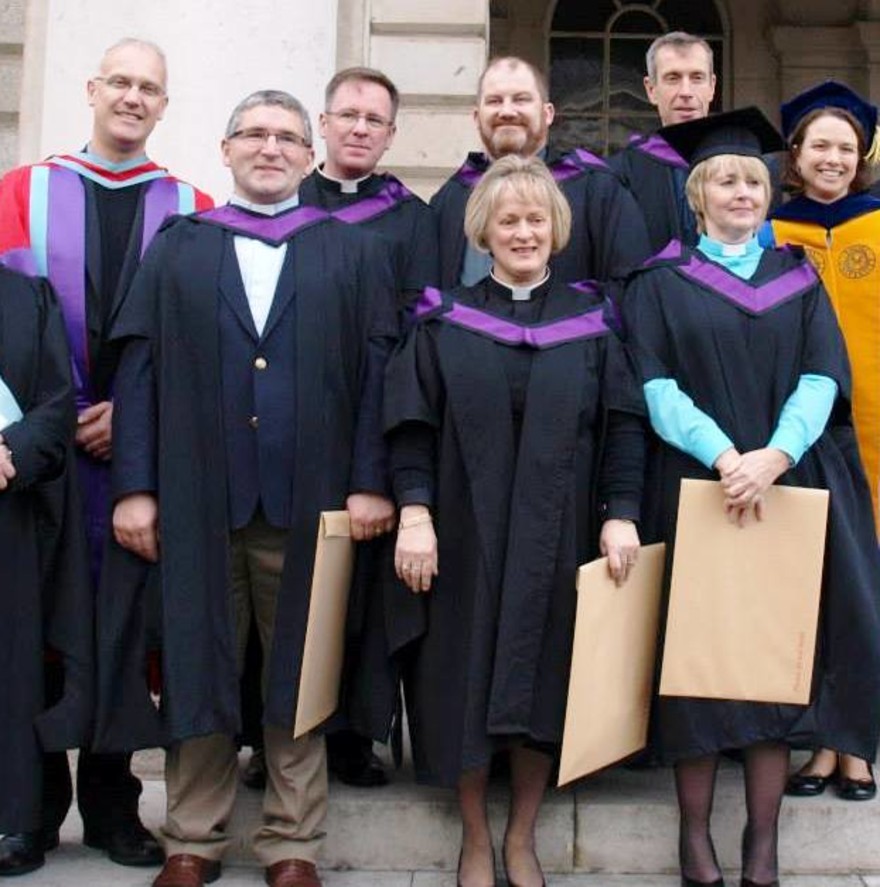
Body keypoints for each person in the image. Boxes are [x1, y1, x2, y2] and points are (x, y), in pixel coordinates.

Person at [102, 89, 398, 887]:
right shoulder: (179, 245)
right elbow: (138, 371)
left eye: (287, 137)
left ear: (310, 155)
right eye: (254, 134)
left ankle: (292, 839)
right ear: (226, 148)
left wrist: (372, 480)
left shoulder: (352, 252)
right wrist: (135, 486)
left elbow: (379, 377)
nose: (270, 148)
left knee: (299, 667)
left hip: (311, 498)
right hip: (198, 492)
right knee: (198, 656)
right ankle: (192, 835)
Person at [622, 107, 880, 887]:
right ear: (698, 194)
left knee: (771, 669)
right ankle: (694, 838)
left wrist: (772, 455)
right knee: (699, 668)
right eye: (727, 179)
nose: (743, 191)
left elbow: (821, 377)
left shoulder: (798, 279)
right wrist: (726, 454)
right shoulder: (658, 280)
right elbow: (653, 385)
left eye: (755, 182)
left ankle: (761, 844)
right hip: (696, 488)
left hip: (779, 488)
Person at [385, 154, 645, 887]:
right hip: (461, 535)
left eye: (536, 219)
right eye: (509, 220)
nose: (523, 232)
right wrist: (415, 514)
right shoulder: (444, 319)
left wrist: (620, 514)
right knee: (461, 668)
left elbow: (624, 426)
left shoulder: (590, 322)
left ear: (556, 229)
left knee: (546, 674)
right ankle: (474, 836)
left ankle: (522, 833)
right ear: (484, 231)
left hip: (557, 533)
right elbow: (411, 427)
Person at [0, 37, 212, 870]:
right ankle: (32, 805)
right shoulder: (20, 194)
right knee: (35, 627)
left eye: (148, 87)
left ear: (165, 106)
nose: (132, 96)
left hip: (138, 457)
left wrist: (135, 412)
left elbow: (203, 340)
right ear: (91, 89)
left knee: (130, 630)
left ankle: (116, 805)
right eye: (119, 81)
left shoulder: (192, 207)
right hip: (41, 458)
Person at [297, 66, 440, 788]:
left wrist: (379, 468)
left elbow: (415, 340)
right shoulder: (279, 201)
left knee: (358, 596)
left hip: (369, 425)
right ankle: (275, 734)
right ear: (322, 123)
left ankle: (352, 734)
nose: (358, 127)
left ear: (391, 134)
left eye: (373, 119)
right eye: (347, 114)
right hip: (286, 433)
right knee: (282, 587)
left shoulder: (412, 220)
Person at [764, 79, 880, 802]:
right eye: (820, 146)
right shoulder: (773, 233)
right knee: (808, 585)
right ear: (797, 157)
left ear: (861, 155)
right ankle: (816, 740)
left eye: (846, 147)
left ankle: (858, 744)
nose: (833, 158)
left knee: (870, 590)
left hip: (875, 432)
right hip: (800, 434)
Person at [0, 267, 92, 877]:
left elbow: (57, 403)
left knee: (11, 667)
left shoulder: (25, 295)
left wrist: (13, 450)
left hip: (7, 502)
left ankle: (14, 819)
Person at [431, 56, 650, 288]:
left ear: (548, 114)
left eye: (521, 99)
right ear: (476, 117)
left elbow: (630, 287)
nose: (507, 111)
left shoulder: (599, 190)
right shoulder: (451, 199)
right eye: (494, 101)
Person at [610, 32, 716, 251]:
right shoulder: (621, 173)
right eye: (673, 78)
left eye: (697, 78)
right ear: (651, 90)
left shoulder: (747, 168)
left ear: (712, 87)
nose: (686, 92)